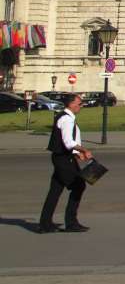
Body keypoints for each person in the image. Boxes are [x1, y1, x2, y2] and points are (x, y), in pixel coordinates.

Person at [39, 93, 91, 233]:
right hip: (63, 159)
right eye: (80, 104)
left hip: (63, 157)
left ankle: (45, 223)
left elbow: (67, 143)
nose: (82, 106)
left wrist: (77, 153)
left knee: (55, 190)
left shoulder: (65, 117)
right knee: (79, 186)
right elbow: (68, 142)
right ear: (72, 104)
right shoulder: (67, 120)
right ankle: (71, 222)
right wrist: (84, 150)